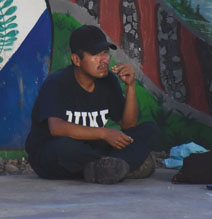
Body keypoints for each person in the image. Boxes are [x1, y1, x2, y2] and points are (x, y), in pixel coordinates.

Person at [26, 25, 159, 184]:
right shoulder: (57, 82)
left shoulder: (108, 81)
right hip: (53, 154)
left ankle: (104, 167)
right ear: (76, 60)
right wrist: (104, 134)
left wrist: (130, 87)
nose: (104, 60)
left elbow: (128, 125)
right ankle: (119, 165)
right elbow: (57, 128)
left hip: (91, 150)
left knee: (149, 130)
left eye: (105, 53)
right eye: (96, 54)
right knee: (64, 147)